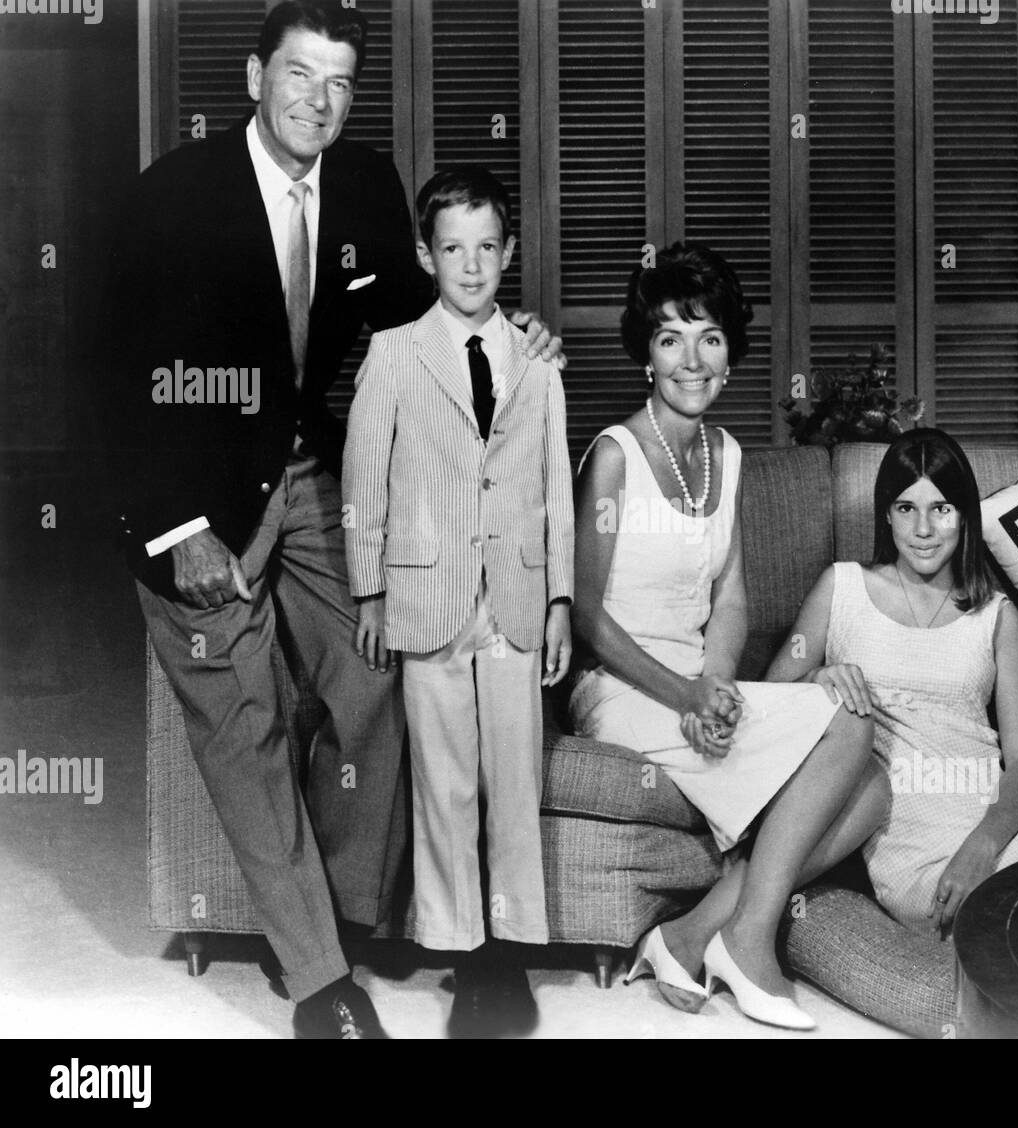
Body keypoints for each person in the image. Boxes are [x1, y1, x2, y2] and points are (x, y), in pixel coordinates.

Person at [102, 1, 561, 1039]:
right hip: (189, 500)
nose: (321, 101)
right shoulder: (170, 198)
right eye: (301, 76)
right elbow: (110, 377)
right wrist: (180, 530)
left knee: (379, 681)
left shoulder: (360, 180)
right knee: (247, 726)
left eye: (342, 82)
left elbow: (411, 312)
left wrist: (504, 329)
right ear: (257, 75)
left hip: (306, 474)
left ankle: (341, 917)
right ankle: (319, 982)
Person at [570, 244, 888, 1031]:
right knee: (849, 745)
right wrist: (684, 695)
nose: (691, 357)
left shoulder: (728, 456)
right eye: (671, 336)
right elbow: (584, 615)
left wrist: (715, 682)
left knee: (873, 781)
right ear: (646, 353)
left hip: (696, 681)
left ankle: (701, 930)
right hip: (621, 688)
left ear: (730, 355)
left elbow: (733, 595)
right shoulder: (614, 457)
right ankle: (745, 941)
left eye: (709, 336)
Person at [343, 167, 573, 1038]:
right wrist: (369, 586)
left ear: (508, 252)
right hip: (426, 591)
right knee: (445, 784)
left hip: (512, 597)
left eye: (487, 248)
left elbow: (553, 487)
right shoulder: (396, 352)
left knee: (510, 780)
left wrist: (558, 600)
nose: (471, 266)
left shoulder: (538, 365)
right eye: (452, 249)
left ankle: (510, 956)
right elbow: (366, 477)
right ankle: (461, 951)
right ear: (424, 255)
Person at [768, 427, 1018, 937]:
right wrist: (818, 675)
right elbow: (769, 703)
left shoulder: (996, 615)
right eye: (907, 508)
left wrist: (983, 845)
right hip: (913, 845)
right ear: (886, 513)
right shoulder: (841, 588)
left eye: (941, 508)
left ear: (964, 515)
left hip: (1004, 824)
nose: (924, 528)